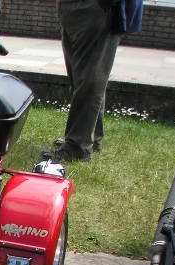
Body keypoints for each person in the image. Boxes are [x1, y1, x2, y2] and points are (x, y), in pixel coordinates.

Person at [42, 0, 143, 163]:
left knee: (89, 82)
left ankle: (78, 147)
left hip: (96, 7)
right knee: (81, 80)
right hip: (71, 8)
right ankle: (87, 138)